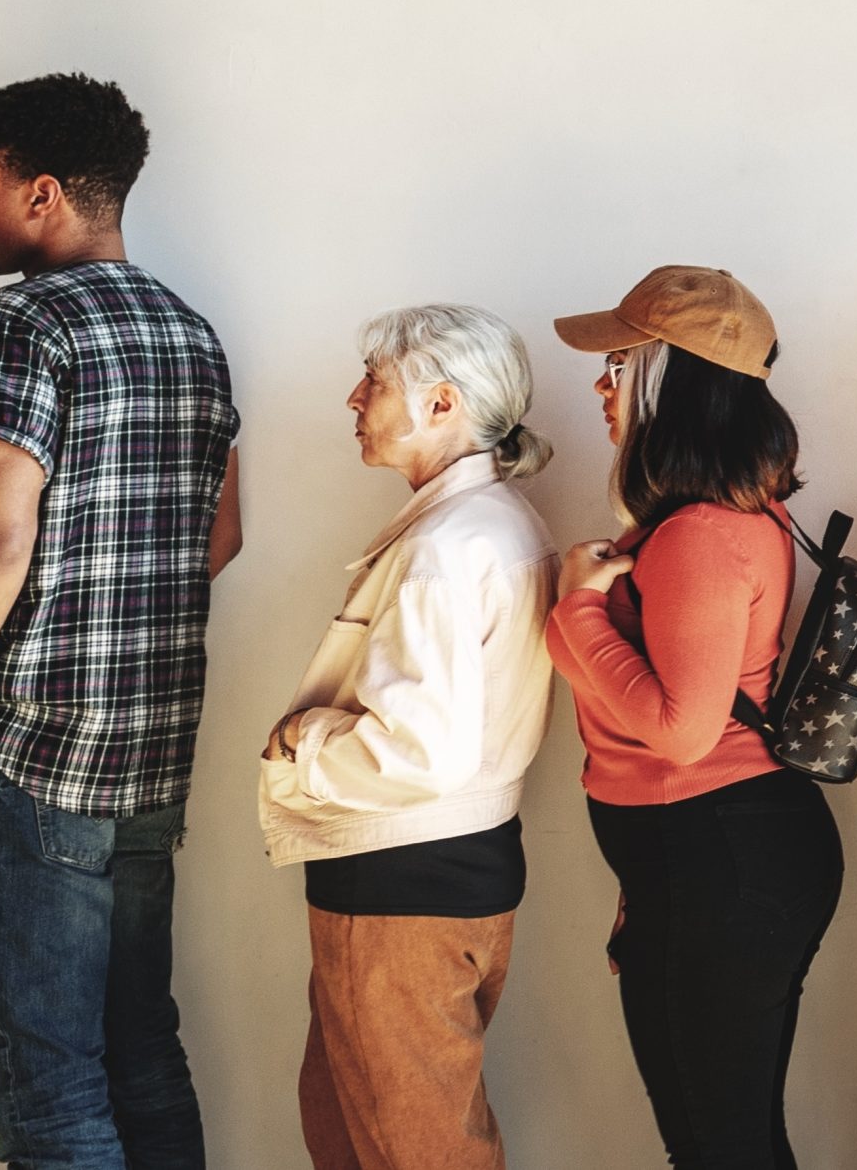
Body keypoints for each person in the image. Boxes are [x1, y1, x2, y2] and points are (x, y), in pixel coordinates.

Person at [0, 73, 241, 1168]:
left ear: (42, 193)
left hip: (31, 753)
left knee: (48, 1093)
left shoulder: (18, 321)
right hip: (149, 754)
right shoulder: (192, 333)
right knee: (142, 1056)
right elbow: (221, 535)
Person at [543, 266, 842, 1169]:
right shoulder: (724, 520)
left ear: (667, 381)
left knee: (720, 1148)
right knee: (728, 1142)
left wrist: (576, 608)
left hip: (718, 860)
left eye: (619, 365)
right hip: (710, 862)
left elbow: (682, 732)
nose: (602, 386)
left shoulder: (700, 536)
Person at [259, 304, 558, 1170]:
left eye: (375, 380)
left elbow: (421, 751)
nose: (354, 398)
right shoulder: (499, 523)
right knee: (360, 1134)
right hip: (449, 872)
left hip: (399, 890)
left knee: (414, 1152)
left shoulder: (445, 546)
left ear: (442, 404)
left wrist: (301, 743)